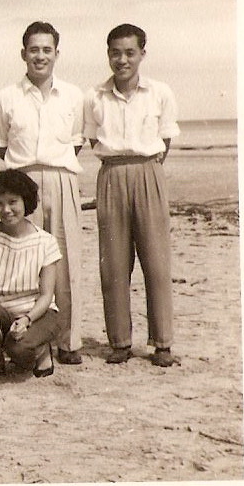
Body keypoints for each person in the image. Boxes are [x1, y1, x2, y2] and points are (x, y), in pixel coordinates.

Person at [83, 23, 179, 367]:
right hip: (111, 174)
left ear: (142, 54)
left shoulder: (159, 92)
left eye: (129, 52)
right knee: (114, 264)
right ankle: (120, 342)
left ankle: (163, 343)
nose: (121, 59)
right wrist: (120, 166)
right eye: (115, 52)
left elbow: (165, 139)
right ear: (108, 53)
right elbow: (94, 140)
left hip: (148, 172)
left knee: (156, 262)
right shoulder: (94, 95)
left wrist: (145, 168)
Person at [0, 21, 85, 366]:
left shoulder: (74, 95)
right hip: (21, 182)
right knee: (23, 260)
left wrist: (52, 172)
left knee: (64, 259)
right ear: (23, 54)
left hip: (61, 179)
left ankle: (68, 341)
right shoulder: (6, 96)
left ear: (56, 54)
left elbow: (76, 143)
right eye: (34, 50)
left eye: (47, 50)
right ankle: (29, 337)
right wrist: (25, 179)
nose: (40, 56)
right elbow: (2, 146)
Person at [0, 170, 60, 379]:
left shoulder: (45, 242)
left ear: (25, 201)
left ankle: (43, 350)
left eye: (12, 202)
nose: (6, 210)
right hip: (0, 312)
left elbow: (46, 296)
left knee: (19, 351)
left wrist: (27, 319)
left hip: (37, 314)